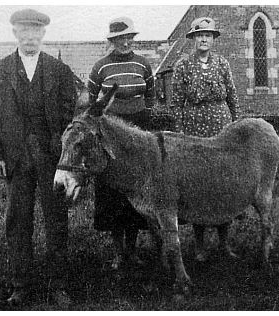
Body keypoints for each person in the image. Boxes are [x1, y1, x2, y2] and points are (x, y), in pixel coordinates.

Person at [0, 9, 77, 307]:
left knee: (56, 220)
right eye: (23, 31)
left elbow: (69, 116)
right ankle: (20, 285)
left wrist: (62, 151)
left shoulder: (58, 70)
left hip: (52, 159)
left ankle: (59, 284)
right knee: (17, 221)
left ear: (43, 35)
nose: (29, 37)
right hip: (15, 158)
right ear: (15, 34)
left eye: (35, 32)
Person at [87, 16, 156, 269]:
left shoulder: (143, 64)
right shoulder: (100, 67)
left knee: (137, 189)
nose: (126, 42)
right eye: (120, 38)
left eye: (129, 37)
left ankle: (133, 249)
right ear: (112, 41)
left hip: (137, 133)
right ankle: (118, 252)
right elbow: (91, 102)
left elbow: (151, 95)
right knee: (112, 192)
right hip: (110, 134)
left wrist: (144, 120)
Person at [171, 17, 240, 261]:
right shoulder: (183, 65)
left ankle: (224, 243)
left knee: (222, 183)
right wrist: (181, 135)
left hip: (221, 126)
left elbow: (232, 96)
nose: (204, 39)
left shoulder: (222, 64)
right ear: (192, 38)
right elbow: (176, 103)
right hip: (194, 128)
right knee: (198, 185)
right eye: (200, 35)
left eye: (208, 35)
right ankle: (199, 245)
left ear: (213, 39)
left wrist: (236, 128)